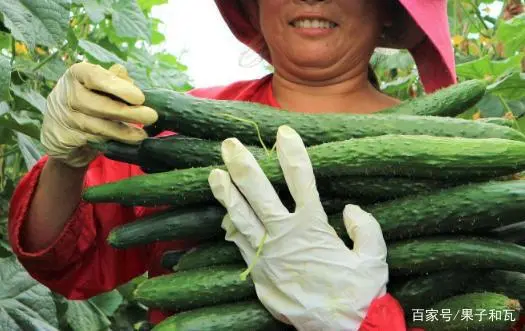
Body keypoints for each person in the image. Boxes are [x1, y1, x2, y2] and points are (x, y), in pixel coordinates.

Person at [9, 0, 496, 330]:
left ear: (388, 9)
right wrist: (67, 162)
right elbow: (65, 259)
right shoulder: (168, 127)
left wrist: (367, 318)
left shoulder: (467, 162)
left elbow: (489, 316)